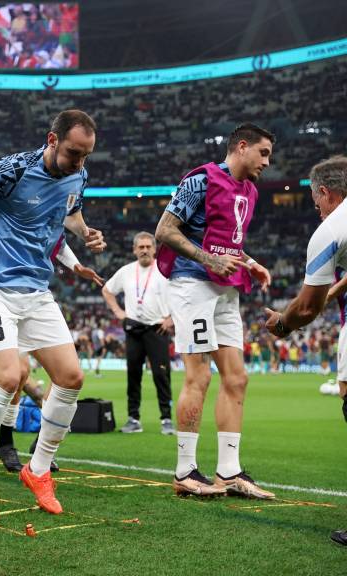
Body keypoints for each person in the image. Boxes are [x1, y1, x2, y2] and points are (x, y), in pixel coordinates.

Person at [0, 109, 106, 522]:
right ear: (52, 140)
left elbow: (70, 211)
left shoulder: (79, 176)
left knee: (71, 377)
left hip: (36, 289)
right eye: (74, 153)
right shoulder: (11, 170)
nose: (80, 163)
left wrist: (84, 232)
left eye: (86, 155)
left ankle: (38, 471)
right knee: (7, 377)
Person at [154, 123, 275, 499]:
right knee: (199, 376)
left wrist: (250, 262)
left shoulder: (250, 190)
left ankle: (229, 471)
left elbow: (226, 241)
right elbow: (164, 231)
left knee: (237, 378)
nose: (267, 162)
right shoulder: (201, 181)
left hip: (226, 289)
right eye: (264, 153)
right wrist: (209, 260)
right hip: (192, 285)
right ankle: (185, 471)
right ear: (242, 147)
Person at [0, 223, 104, 473]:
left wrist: (76, 266)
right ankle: (5, 443)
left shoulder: (49, 217)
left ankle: (40, 451)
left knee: (67, 375)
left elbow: (59, 242)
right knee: (17, 373)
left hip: (34, 296)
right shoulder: (6, 218)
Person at [260, 155, 347, 545]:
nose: (317, 211)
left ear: (326, 193)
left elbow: (308, 308)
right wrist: (332, 293)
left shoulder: (331, 229)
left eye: (315, 203)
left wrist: (282, 323)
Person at [101, 231, 174, 435]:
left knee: (161, 374)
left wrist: (171, 318)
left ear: (155, 249)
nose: (144, 250)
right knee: (133, 375)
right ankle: (133, 419)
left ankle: (166, 419)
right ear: (134, 250)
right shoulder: (126, 271)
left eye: (148, 247)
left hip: (157, 329)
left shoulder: (164, 270)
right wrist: (118, 312)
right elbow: (107, 290)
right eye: (140, 247)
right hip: (133, 329)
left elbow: (181, 294)